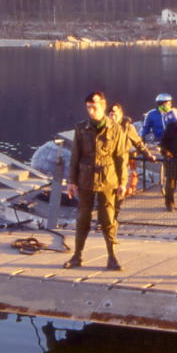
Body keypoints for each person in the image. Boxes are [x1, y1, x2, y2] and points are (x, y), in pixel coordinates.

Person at [65, 92, 126, 271]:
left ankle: (112, 257)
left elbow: (121, 157)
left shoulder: (115, 128)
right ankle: (77, 256)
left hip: (108, 180)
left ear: (103, 106)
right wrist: (72, 181)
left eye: (95, 107)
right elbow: (75, 156)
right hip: (85, 181)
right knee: (83, 218)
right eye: (89, 108)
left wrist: (123, 182)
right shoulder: (81, 128)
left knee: (108, 219)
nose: (91, 111)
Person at [108, 103, 157, 220]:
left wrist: (148, 155)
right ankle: (105, 220)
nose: (113, 117)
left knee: (119, 193)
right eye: (111, 115)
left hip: (122, 164)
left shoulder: (127, 128)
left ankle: (113, 217)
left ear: (120, 115)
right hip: (107, 165)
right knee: (106, 194)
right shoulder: (104, 127)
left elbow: (138, 143)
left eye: (115, 115)